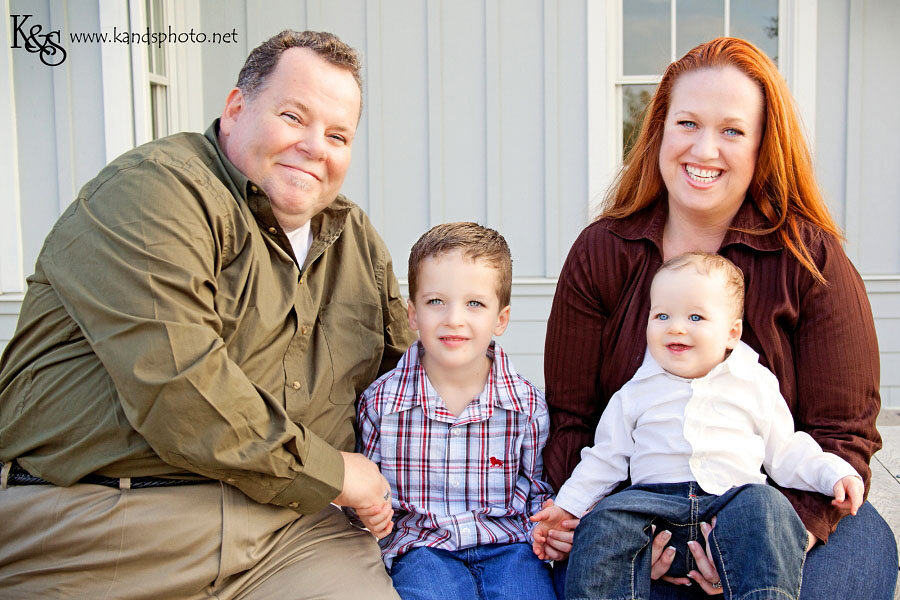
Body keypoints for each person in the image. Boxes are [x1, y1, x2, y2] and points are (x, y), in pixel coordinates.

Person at [0, 30, 417, 599]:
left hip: (297, 533)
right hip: (114, 518)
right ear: (236, 108)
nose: (316, 147)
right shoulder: (154, 192)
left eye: (338, 134)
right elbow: (180, 388)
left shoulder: (353, 237)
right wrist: (339, 475)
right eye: (294, 117)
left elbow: (409, 380)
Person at [542, 36, 897, 599]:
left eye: (731, 130)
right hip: (638, 514)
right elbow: (572, 422)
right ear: (659, 131)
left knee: (858, 549)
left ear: (761, 146)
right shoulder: (602, 251)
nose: (704, 149)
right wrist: (623, 530)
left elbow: (842, 433)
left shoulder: (810, 258)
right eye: (687, 123)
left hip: (774, 506)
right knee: (584, 566)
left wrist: (773, 543)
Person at [532, 252, 864, 599]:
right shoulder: (635, 392)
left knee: (768, 507)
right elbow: (605, 458)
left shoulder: (754, 382)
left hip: (730, 508)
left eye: (695, 316)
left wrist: (834, 474)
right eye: (662, 315)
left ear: (732, 333)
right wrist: (566, 506)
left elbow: (786, 450)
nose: (675, 327)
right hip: (652, 510)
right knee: (603, 521)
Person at [357, 222, 558, 600]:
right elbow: (368, 491)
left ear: (500, 318)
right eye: (436, 301)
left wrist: (547, 523)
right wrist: (368, 513)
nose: (454, 318)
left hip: (509, 546)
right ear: (412, 314)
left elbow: (534, 488)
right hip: (420, 548)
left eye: (475, 303)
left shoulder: (525, 405)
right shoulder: (381, 404)